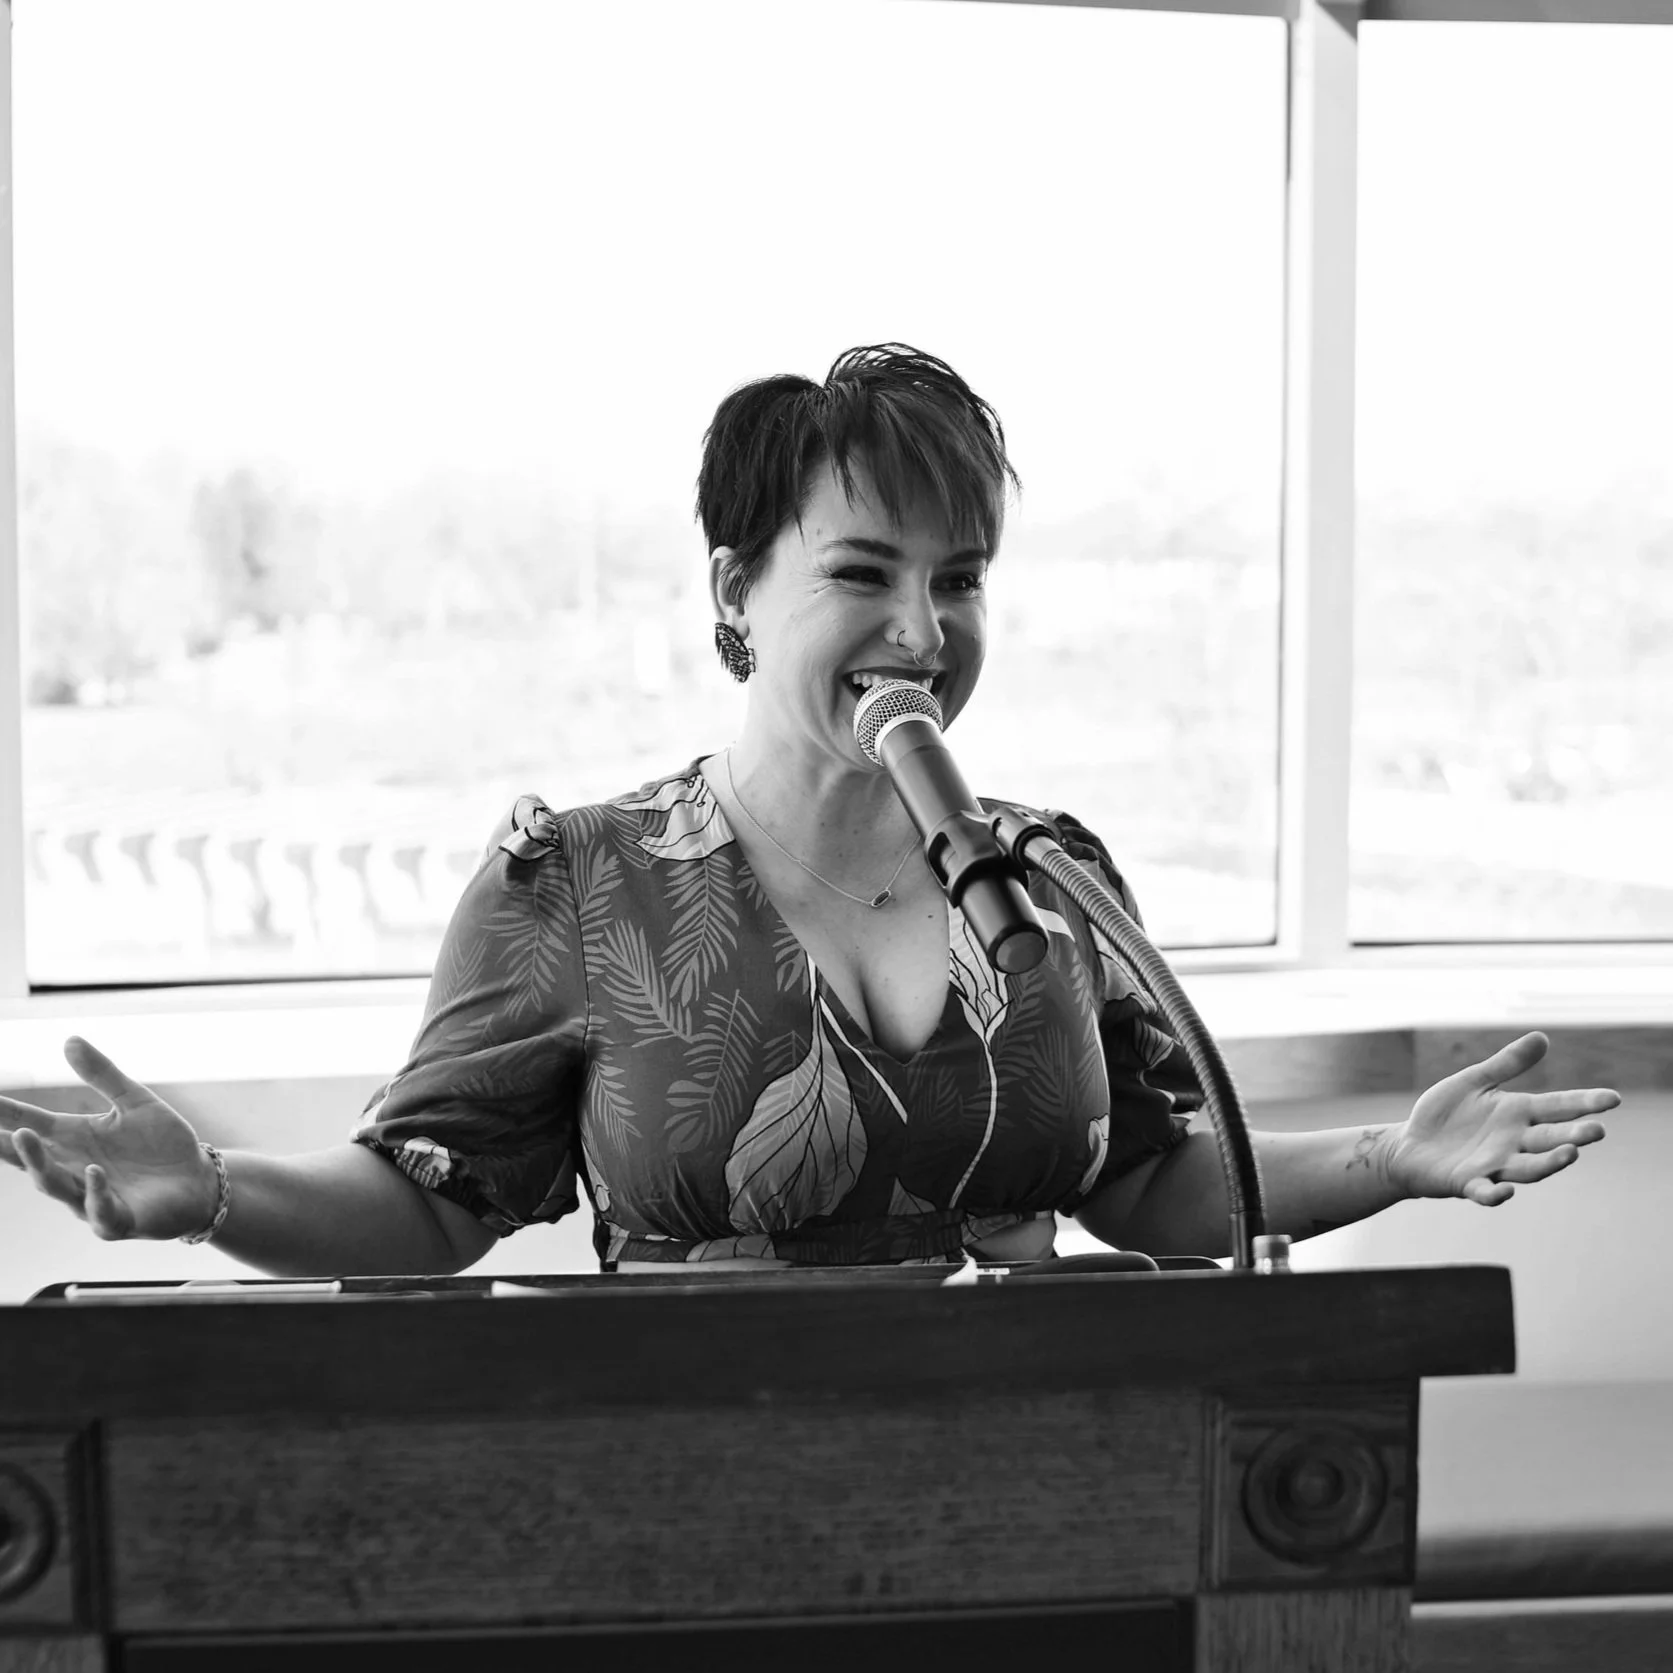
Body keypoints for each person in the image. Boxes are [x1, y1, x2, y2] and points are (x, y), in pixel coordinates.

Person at [0, 345, 1617, 1277]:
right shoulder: (580, 880)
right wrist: (214, 1190)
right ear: (736, 589)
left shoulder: (1053, 880)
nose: (922, 630)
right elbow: (427, 1202)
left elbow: (1153, 1188)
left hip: (1056, 1497)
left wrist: (1394, 1157)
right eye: (863, 573)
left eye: (960, 580)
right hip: (692, 1507)